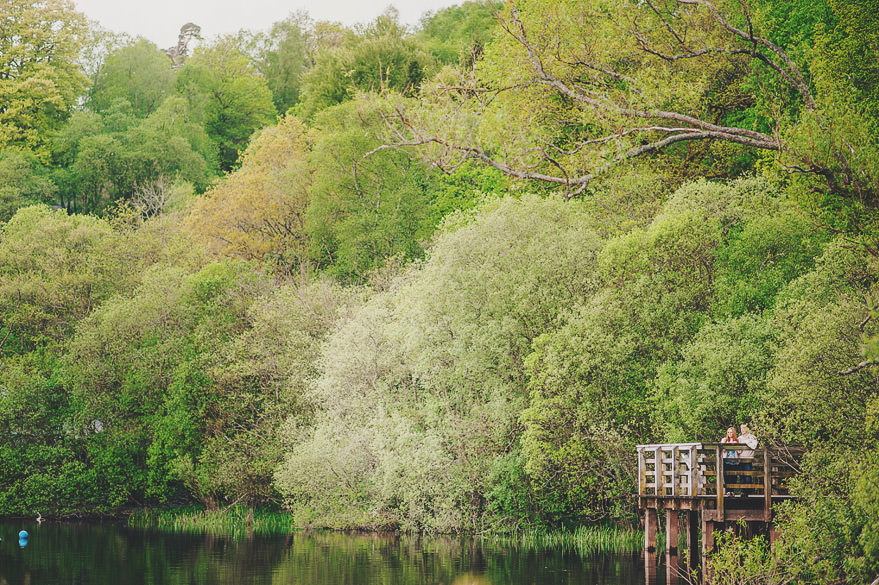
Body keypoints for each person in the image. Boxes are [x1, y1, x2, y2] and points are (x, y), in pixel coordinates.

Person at [738, 424, 758, 496]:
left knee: (748, 476)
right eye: (741, 428)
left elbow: (754, 446)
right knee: (741, 476)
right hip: (740, 459)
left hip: (748, 459)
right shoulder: (739, 438)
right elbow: (738, 450)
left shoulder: (752, 437)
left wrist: (746, 442)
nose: (742, 430)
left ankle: (748, 491)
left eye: (743, 428)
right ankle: (743, 492)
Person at [720, 427, 739, 496]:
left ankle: (732, 491)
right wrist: (727, 446)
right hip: (726, 460)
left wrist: (735, 446)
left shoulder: (737, 440)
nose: (729, 434)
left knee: (734, 477)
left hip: (734, 461)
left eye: (731, 432)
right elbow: (722, 450)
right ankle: (728, 491)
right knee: (726, 476)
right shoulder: (724, 440)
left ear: (734, 433)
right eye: (728, 432)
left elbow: (740, 451)